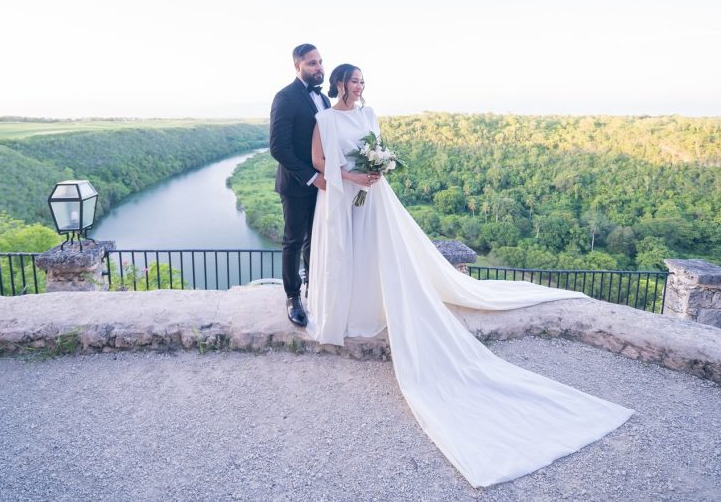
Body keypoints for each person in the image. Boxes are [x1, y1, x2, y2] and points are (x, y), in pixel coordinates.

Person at [307, 63, 634, 488]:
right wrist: (352, 176)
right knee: (345, 255)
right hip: (343, 195)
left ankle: (371, 309)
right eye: (354, 80)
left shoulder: (370, 115)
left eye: (363, 81)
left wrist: (377, 171)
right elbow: (318, 161)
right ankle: (347, 312)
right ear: (339, 83)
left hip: (373, 196)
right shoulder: (325, 119)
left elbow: (378, 149)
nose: (360, 86)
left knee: (374, 254)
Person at [269, 44, 330, 327]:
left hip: (323, 184)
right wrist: (311, 177)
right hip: (296, 185)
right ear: (298, 66)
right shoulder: (285, 97)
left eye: (320, 62)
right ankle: (293, 296)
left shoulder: (324, 99)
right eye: (312, 63)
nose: (319, 67)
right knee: (293, 242)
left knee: (315, 239)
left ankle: (312, 289)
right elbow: (279, 148)